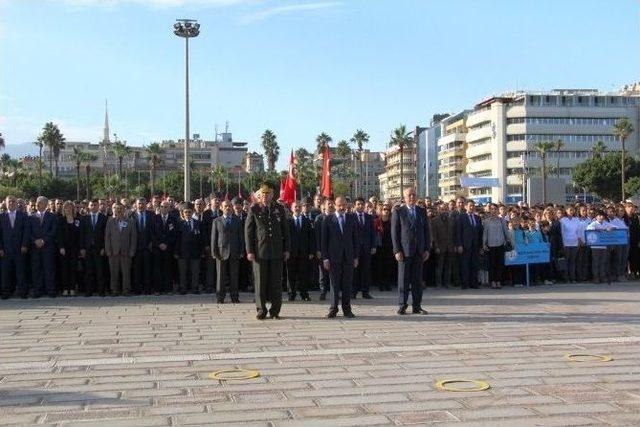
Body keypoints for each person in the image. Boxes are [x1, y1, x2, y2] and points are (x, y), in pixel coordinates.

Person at [245, 184, 290, 320]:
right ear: (259, 196)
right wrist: (249, 251)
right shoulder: (254, 209)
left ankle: (275, 310)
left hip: (276, 251)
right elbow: (248, 232)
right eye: (263, 194)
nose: (265, 196)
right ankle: (261, 310)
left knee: (276, 282)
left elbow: (285, 231)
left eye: (268, 194)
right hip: (260, 252)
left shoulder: (279, 209)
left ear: (272, 195)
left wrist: (287, 249)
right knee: (260, 282)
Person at [391, 187, 430, 315]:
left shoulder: (421, 211)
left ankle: (417, 306)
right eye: (409, 195)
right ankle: (402, 305)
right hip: (404, 251)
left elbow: (426, 231)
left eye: (414, 195)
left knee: (417, 281)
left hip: (419, 251)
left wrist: (426, 249)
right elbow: (394, 233)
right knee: (403, 280)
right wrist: (397, 250)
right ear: (404, 197)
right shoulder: (398, 211)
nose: (412, 197)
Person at [321, 196, 358, 318]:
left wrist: (356, 257)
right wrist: (325, 258)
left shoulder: (352, 218)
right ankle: (333, 309)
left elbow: (355, 239)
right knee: (334, 284)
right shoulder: (328, 219)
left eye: (344, 205)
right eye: (339, 205)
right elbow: (324, 241)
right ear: (335, 206)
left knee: (347, 284)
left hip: (348, 257)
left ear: (347, 205)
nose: (342, 207)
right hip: (333, 257)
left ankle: (347, 309)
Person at [211, 200, 244, 303]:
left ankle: (234, 297)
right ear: (221, 207)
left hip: (234, 251)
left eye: (230, 206)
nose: (228, 208)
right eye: (226, 206)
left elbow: (241, 237)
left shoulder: (237, 220)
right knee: (220, 277)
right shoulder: (217, 221)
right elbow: (214, 238)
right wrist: (214, 252)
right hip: (221, 252)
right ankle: (220, 297)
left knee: (234, 276)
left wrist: (241, 250)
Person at [29, 196, 58, 298]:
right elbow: (28, 232)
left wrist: (44, 240)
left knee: (49, 269)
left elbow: (53, 231)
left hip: (48, 247)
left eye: (40, 202)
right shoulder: (31, 217)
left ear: (45, 205)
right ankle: (38, 290)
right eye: (37, 202)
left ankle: (50, 290)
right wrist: (34, 240)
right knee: (36, 269)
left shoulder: (52, 217)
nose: (37, 204)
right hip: (35, 248)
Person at [0, 195, 29, 299]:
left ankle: (23, 292)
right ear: (6, 204)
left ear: (17, 203)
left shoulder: (23, 216)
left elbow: (26, 232)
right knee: (5, 272)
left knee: (21, 272)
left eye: (13, 201)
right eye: (9, 202)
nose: (11, 203)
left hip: (19, 249)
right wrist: (1, 248)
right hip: (6, 250)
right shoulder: (1, 216)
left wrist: (24, 245)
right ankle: (5, 292)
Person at [104, 203, 137, 296]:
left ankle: (126, 289)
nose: (119, 210)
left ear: (124, 210)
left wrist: (132, 250)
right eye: (117, 209)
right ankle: (114, 289)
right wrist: (108, 250)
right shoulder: (110, 221)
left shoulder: (130, 221)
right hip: (113, 251)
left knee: (126, 272)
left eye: (121, 209)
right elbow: (107, 237)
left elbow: (133, 237)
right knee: (114, 272)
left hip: (126, 252)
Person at [286, 200, 315, 302]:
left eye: (299, 206)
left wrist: (311, 252)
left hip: (304, 253)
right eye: (295, 207)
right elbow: (285, 238)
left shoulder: (307, 221)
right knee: (291, 274)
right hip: (291, 253)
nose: (297, 208)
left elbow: (311, 238)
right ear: (291, 208)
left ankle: (304, 294)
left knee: (304, 274)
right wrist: (286, 251)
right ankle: (291, 293)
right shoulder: (287, 221)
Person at [175, 202, 204, 294]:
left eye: (189, 212)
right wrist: (176, 252)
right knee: (183, 272)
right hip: (182, 252)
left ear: (192, 212)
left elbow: (201, 239)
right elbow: (177, 239)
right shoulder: (179, 224)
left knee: (195, 272)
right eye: (186, 212)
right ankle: (183, 288)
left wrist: (201, 251)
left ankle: (194, 288)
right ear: (183, 213)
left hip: (195, 252)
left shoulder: (198, 223)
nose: (188, 214)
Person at [80, 199, 108, 296]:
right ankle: (89, 291)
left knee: (100, 271)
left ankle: (101, 291)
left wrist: (104, 248)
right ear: (89, 206)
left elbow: (106, 235)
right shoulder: (84, 218)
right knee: (88, 271)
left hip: (99, 248)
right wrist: (82, 248)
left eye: (95, 205)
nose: (93, 207)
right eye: (91, 205)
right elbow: (82, 234)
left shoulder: (104, 218)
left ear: (98, 206)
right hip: (87, 249)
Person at [352, 197, 376, 299]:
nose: (360, 206)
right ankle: (353, 292)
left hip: (366, 248)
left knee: (366, 271)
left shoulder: (369, 217)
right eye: (358, 204)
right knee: (354, 271)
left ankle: (365, 292)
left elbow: (372, 233)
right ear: (355, 205)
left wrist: (373, 245)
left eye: (362, 204)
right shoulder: (350, 217)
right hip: (354, 249)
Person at [152, 200, 178, 294]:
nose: (164, 208)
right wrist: (159, 243)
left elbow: (175, 234)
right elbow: (152, 233)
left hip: (168, 248)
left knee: (168, 268)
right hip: (157, 248)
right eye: (162, 206)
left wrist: (166, 243)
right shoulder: (155, 218)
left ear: (169, 208)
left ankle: (168, 289)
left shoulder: (174, 219)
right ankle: (157, 289)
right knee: (157, 269)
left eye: (166, 206)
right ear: (160, 208)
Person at [482, 203, 510, 289]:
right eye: (492, 209)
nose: (494, 211)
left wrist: (507, 240)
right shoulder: (486, 221)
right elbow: (485, 233)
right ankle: (493, 281)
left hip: (501, 244)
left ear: (498, 210)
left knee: (500, 264)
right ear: (490, 210)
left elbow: (506, 231)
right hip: (491, 245)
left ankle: (498, 281)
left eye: (495, 209)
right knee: (492, 265)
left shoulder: (502, 220)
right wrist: (484, 244)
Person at [456, 200, 483, 289]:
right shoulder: (461, 217)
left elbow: (480, 233)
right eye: (470, 205)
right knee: (465, 265)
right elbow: (458, 232)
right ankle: (465, 283)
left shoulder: (477, 218)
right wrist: (459, 244)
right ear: (466, 206)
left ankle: (473, 283)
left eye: (473, 205)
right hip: (465, 245)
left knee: (474, 265)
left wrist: (480, 246)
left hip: (475, 245)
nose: (472, 207)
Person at [57, 201, 81, 296]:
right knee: (64, 269)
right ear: (64, 209)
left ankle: (72, 288)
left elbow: (80, 234)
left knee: (73, 268)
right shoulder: (61, 220)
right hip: (64, 248)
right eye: (66, 208)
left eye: (70, 207)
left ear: (73, 209)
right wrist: (61, 247)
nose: (68, 209)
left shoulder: (77, 220)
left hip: (74, 248)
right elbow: (59, 235)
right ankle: (65, 288)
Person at [131, 198, 153, 294]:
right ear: (136, 205)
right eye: (139, 203)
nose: (141, 205)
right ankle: (137, 289)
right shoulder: (131, 216)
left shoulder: (151, 215)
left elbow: (154, 231)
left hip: (148, 247)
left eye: (143, 204)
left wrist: (152, 242)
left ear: (146, 204)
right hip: (135, 247)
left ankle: (147, 289)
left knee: (148, 269)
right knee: (136, 269)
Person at [314, 199, 334, 300]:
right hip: (322, 249)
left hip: (334, 250)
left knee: (334, 272)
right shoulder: (319, 218)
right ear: (324, 206)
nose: (330, 205)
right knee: (322, 272)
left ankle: (334, 292)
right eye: (328, 204)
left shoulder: (335, 217)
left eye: (331, 203)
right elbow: (317, 235)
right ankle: (323, 292)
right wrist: (318, 249)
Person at [431, 203, 454, 288]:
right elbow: (434, 235)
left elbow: (453, 234)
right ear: (439, 210)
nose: (444, 211)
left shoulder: (451, 220)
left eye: (445, 209)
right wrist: (436, 246)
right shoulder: (435, 220)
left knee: (448, 267)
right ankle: (438, 283)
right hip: (440, 247)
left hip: (450, 247)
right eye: (442, 209)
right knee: (439, 267)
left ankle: (446, 283)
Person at [587, 210, 613, 284]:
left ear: (604, 217)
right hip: (595, 247)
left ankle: (602, 276)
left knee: (603, 262)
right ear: (596, 217)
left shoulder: (606, 223)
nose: (600, 217)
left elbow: (614, 227)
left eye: (602, 216)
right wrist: (599, 229)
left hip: (604, 246)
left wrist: (611, 229)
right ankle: (596, 277)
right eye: (599, 216)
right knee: (596, 262)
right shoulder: (594, 223)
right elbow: (589, 228)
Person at [560, 206, 580, 283]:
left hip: (574, 243)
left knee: (573, 261)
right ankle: (566, 277)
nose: (572, 211)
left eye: (573, 210)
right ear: (566, 211)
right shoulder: (563, 220)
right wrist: (563, 244)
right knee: (566, 261)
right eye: (570, 210)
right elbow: (562, 233)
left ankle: (573, 277)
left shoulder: (576, 219)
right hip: (566, 243)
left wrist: (578, 241)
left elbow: (578, 231)